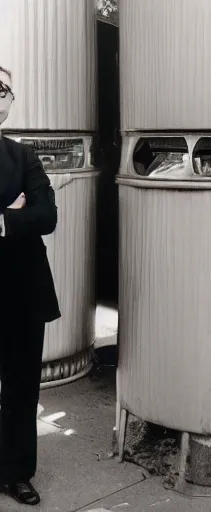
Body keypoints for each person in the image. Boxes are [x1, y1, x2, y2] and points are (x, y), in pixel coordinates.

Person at [0, 65, 60, 505]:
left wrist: (6, 219)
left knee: (21, 389)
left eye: (3, 90)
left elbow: (48, 216)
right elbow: (29, 215)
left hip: (22, 291)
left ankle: (17, 473)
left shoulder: (25, 156)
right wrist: (11, 214)